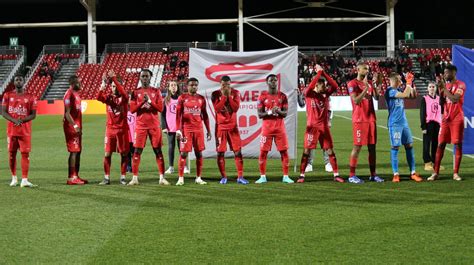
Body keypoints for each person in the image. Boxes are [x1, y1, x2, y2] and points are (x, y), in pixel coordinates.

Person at [298, 65, 344, 183]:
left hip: (324, 128)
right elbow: (309, 88)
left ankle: (336, 175)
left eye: (325, 86)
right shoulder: (309, 94)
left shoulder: (325, 95)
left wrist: (323, 73)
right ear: (316, 86)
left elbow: (335, 85)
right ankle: (302, 175)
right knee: (306, 151)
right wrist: (318, 74)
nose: (325, 87)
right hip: (312, 127)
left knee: (330, 151)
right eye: (322, 85)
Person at [128, 69, 169, 186]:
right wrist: (142, 103)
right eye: (143, 76)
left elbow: (160, 109)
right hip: (140, 126)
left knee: (158, 151)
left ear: (150, 77)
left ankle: (162, 178)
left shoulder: (156, 91)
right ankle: (135, 178)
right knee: (137, 151)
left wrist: (150, 101)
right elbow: (132, 109)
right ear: (140, 78)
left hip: (154, 126)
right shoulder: (135, 92)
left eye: (147, 76)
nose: (145, 78)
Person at [347, 61, 383, 184]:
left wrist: (376, 85)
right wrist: (366, 88)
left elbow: (377, 98)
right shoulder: (352, 83)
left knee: (372, 148)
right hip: (359, 120)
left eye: (367, 69)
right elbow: (356, 101)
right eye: (364, 69)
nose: (367, 71)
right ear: (358, 69)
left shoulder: (369, 84)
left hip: (371, 119)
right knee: (357, 147)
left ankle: (373, 175)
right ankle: (352, 175)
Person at [428, 64, 466, 181]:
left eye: (447, 72)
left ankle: (455, 173)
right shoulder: (445, 85)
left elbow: (455, 99)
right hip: (446, 119)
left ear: (454, 72)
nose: (445, 75)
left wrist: (444, 88)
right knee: (441, 144)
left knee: (457, 144)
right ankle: (435, 173)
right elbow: (441, 102)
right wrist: (440, 90)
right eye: (444, 73)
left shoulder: (461, 84)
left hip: (457, 118)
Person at [255, 74, 293, 184]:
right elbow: (260, 114)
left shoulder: (283, 96)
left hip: (280, 129)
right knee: (263, 152)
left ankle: (285, 176)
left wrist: (278, 111)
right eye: (271, 80)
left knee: (284, 152)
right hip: (267, 129)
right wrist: (271, 111)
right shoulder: (262, 96)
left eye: (275, 80)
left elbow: (285, 113)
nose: (273, 82)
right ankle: (262, 176)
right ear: (267, 82)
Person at [384, 72, 423, 182]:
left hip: (404, 123)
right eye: (399, 80)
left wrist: (412, 84)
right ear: (394, 80)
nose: (401, 82)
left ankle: (413, 172)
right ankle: (396, 174)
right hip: (394, 124)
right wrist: (409, 83)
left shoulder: (400, 90)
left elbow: (412, 96)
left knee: (409, 145)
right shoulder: (389, 91)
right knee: (395, 147)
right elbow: (406, 94)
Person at [211, 75, 248, 184]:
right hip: (221, 128)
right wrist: (223, 97)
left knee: (238, 152)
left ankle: (240, 177)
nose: (226, 87)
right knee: (220, 153)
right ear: (220, 85)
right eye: (223, 85)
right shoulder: (215, 94)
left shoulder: (235, 93)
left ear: (230, 84)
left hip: (233, 128)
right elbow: (217, 109)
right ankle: (224, 177)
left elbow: (235, 108)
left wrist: (228, 97)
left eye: (228, 85)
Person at [2, 75, 37, 187]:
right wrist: (14, 120)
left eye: (20, 79)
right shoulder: (7, 95)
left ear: (24, 81)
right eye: (16, 80)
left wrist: (21, 120)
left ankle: (24, 180)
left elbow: (33, 115)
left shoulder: (31, 97)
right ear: (14, 82)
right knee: (12, 155)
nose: (18, 81)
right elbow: (3, 112)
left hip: (25, 132)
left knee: (25, 154)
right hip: (11, 131)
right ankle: (14, 178)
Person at [175, 77, 212, 185]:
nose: (194, 86)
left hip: (198, 129)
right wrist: (178, 129)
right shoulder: (182, 98)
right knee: (183, 153)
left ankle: (198, 178)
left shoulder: (201, 99)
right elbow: (178, 115)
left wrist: (208, 130)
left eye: (196, 85)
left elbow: (205, 115)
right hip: (186, 129)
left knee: (199, 153)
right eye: (191, 85)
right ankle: (180, 178)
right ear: (187, 86)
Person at [97, 70, 129, 185]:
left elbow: (124, 94)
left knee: (124, 154)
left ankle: (123, 177)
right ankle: (106, 178)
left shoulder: (124, 98)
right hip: (110, 130)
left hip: (122, 130)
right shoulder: (109, 98)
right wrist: (103, 85)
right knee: (107, 154)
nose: (113, 88)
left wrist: (114, 78)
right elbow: (98, 97)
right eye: (112, 86)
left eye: (115, 86)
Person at [296, 84, 334, 173]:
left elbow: (330, 108)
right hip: (312, 123)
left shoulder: (324, 91)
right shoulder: (307, 91)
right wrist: (298, 95)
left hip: (323, 122)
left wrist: (329, 120)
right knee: (310, 144)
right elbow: (302, 105)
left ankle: (328, 163)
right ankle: (309, 164)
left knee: (325, 144)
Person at [161, 80, 189, 174]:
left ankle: (184, 166)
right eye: (171, 85)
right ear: (168, 88)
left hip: (181, 128)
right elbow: (162, 114)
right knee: (171, 147)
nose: (173, 87)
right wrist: (164, 127)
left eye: (175, 85)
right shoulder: (165, 100)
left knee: (182, 148)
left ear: (177, 87)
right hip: (170, 127)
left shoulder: (182, 99)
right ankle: (171, 167)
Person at [63, 75, 87, 185]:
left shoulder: (76, 94)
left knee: (78, 151)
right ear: (73, 83)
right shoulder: (69, 94)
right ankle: (71, 178)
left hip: (77, 126)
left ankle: (75, 175)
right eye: (79, 82)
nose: (81, 84)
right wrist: (75, 126)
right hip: (71, 127)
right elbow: (67, 113)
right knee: (74, 151)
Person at [420, 81, 444, 171]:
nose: (431, 88)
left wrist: (441, 124)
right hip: (428, 124)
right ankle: (427, 163)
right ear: (427, 88)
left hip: (437, 124)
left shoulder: (439, 98)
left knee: (435, 144)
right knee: (426, 144)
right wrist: (423, 126)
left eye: (433, 87)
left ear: (436, 88)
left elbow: (441, 112)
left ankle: (435, 163)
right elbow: (422, 113)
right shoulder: (424, 99)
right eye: (430, 87)